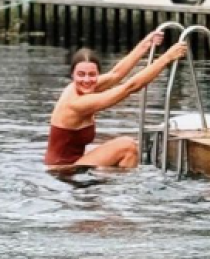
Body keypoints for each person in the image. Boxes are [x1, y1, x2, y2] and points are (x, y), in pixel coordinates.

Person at [45, 31, 188, 168]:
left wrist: (146, 44)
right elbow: (130, 87)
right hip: (62, 170)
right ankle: (119, 190)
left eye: (92, 74)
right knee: (127, 147)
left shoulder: (82, 87)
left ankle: (112, 182)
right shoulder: (77, 103)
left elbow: (116, 74)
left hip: (74, 163)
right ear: (72, 76)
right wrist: (166, 58)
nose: (87, 80)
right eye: (81, 75)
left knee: (128, 146)